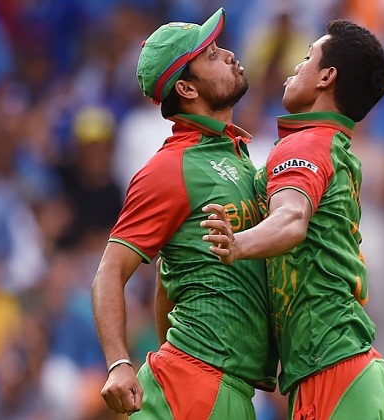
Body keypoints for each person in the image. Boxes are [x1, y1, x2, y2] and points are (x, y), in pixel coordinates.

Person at [202, 19, 384, 419]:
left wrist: (239, 243)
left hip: (332, 368)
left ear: (327, 77)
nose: (296, 66)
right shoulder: (335, 146)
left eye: (307, 58)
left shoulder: (306, 143)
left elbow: (292, 219)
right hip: (348, 368)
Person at [91, 8, 277, 419]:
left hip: (218, 388)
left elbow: (166, 277)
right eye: (211, 55)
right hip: (197, 386)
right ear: (188, 90)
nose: (228, 55)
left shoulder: (237, 156)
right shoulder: (168, 168)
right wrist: (120, 362)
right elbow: (109, 271)